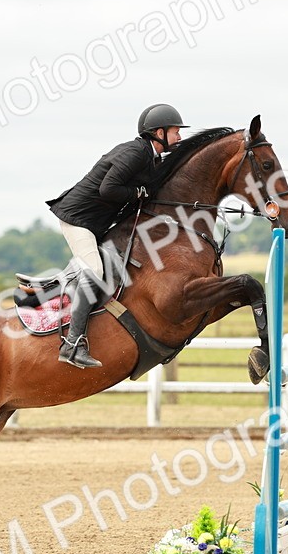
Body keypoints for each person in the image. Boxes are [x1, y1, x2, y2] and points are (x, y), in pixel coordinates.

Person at [44, 104, 187, 368]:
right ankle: (72, 344)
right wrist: (137, 193)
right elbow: (108, 188)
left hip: (95, 223)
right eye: (175, 132)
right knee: (95, 271)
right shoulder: (135, 153)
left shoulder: (150, 157)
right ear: (159, 132)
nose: (179, 137)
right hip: (78, 220)